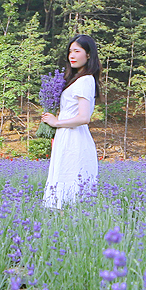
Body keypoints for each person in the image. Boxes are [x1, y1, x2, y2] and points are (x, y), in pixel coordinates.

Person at [40, 34, 101, 208]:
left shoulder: (85, 80)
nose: (71, 56)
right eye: (70, 51)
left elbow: (84, 117)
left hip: (75, 138)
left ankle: (70, 226)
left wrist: (56, 122)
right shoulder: (75, 79)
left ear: (88, 55)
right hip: (66, 136)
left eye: (77, 51)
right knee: (62, 181)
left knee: (71, 181)